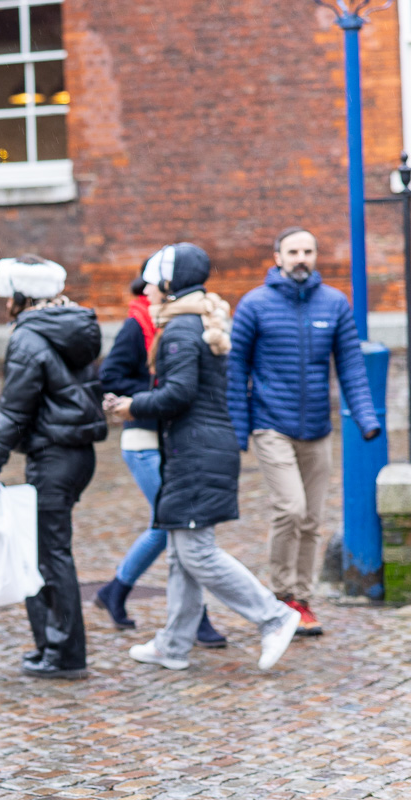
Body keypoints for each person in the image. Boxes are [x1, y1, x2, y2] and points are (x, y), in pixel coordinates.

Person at [104, 243, 300, 672]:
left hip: (197, 451)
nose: (148, 289)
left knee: (196, 552)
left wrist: (131, 406)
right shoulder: (195, 323)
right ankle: (173, 645)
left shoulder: (179, 330)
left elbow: (179, 394)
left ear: (171, 284)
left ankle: (276, 615)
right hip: (199, 448)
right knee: (180, 550)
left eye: (154, 282)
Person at [228, 227, 381, 636]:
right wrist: (238, 431)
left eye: (308, 251)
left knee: (312, 519)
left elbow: (350, 365)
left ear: (316, 256)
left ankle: (301, 599)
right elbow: (235, 370)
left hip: (317, 427)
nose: (301, 258)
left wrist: (366, 419)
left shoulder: (334, 303)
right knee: (290, 509)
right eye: (293, 251)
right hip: (270, 424)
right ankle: (280, 597)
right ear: (277, 256)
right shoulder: (254, 304)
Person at [0, 255, 107, 680]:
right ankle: (56, 646)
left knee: (50, 556)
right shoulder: (72, 327)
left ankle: (64, 653)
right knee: (52, 552)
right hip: (75, 453)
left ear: (20, 296)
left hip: (53, 455)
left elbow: (14, 409)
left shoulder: (28, 337)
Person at [95, 271, 226, 647]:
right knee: (176, 524)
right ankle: (195, 620)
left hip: (171, 440)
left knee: (170, 524)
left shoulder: (178, 323)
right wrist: (159, 393)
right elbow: (111, 377)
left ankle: (116, 590)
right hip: (143, 440)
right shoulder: (137, 325)